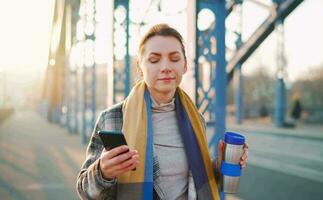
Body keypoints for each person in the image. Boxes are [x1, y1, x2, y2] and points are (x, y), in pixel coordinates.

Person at [76, 24, 248, 200]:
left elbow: (195, 180)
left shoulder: (196, 119)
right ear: (140, 68)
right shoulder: (113, 118)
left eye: (174, 59)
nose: (166, 67)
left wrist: (220, 165)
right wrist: (103, 172)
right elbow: (85, 192)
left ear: (185, 66)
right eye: (154, 60)